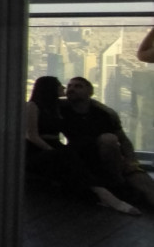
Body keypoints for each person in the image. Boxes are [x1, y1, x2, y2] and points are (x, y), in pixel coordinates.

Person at [24, 76, 137, 214]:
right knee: (70, 159)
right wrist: (53, 151)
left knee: (80, 155)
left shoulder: (56, 106)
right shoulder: (34, 106)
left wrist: (104, 108)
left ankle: (103, 193)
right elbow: (31, 135)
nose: (66, 88)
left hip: (56, 148)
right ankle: (107, 196)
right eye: (63, 85)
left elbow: (88, 102)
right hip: (39, 150)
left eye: (76, 86)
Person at [60, 76, 154, 210]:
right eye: (70, 86)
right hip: (82, 161)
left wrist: (131, 162)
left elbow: (123, 140)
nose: (71, 89)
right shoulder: (61, 109)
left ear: (89, 92)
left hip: (111, 161)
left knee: (145, 184)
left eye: (78, 86)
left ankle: (119, 184)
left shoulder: (104, 114)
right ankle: (118, 186)